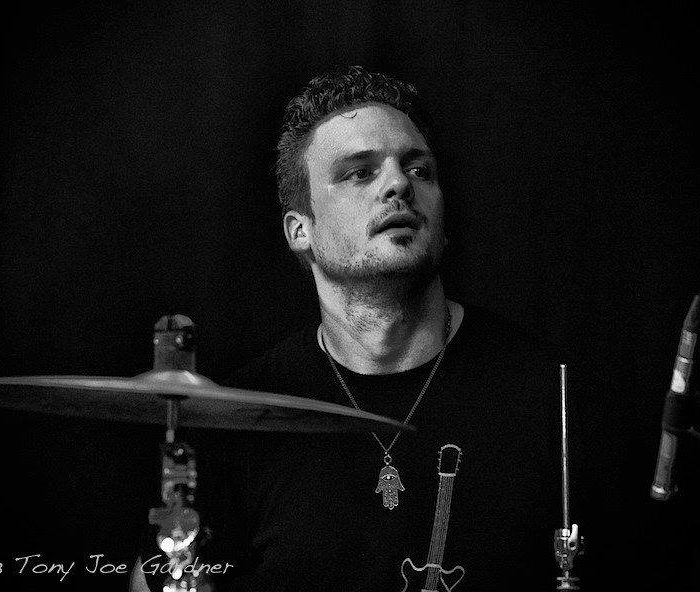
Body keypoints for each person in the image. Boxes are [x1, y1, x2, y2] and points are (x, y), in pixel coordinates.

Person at [132, 65, 564, 592]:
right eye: (360, 173)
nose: (399, 184)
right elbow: (155, 579)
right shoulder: (241, 420)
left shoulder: (547, 394)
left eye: (420, 170)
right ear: (301, 231)